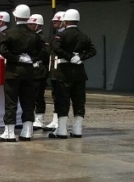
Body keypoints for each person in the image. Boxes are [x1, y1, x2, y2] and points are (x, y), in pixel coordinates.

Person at [49, 9, 96, 139]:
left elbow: (56, 48)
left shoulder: (61, 36)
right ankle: (77, 130)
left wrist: (69, 57)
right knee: (79, 102)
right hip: (79, 73)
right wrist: (80, 57)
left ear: (65, 20)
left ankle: (62, 130)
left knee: (63, 101)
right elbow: (93, 51)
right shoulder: (84, 36)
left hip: (64, 72)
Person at [0, 4, 40, 142]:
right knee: (28, 101)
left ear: (15, 17)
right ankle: (27, 132)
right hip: (29, 71)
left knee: (11, 102)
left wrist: (16, 58)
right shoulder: (34, 35)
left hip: (13, 71)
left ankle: (9, 132)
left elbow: (2, 50)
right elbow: (44, 51)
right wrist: (31, 58)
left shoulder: (8, 33)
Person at [27, 14, 51, 130]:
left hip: (39, 70)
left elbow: (46, 53)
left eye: (32, 24)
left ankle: (40, 119)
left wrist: (34, 58)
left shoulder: (42, 38)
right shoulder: (31, 37)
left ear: (38, 25)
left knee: (38, 96)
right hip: (31, 70)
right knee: (31, 95)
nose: (30, 26)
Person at [44, 11, 66, 131]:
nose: (54, 23)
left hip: (61, 71)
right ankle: (55, 119)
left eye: (56, 21)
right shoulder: (55, 36)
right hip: (54, 69)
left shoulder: (64, 36)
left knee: (61, 96)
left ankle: (59, 120)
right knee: (55, 95)